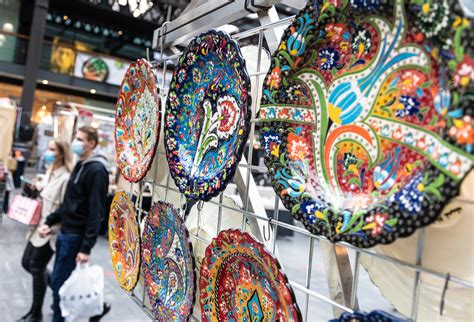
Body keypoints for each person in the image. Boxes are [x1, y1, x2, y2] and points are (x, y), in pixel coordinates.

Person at [38, 126, 110, 322]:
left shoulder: (97, 170)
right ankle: (94, 309)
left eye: (80, 139)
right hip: (64, 233)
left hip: (75, 237)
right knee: (61, 284)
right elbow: (70, 202)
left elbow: (97, 212)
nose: (75, 143)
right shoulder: (80, 165)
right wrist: (50, 221)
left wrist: (86, 247)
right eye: (75, 138)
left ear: (91, 144)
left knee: (60, 288)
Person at [18, 140, 72, 322]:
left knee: (36, 267)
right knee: (27, 263)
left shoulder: (66, 177)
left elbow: (65, 208)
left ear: (61, 153)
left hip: (49, 232)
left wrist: (50, 226)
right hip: (36, 226)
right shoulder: (50, 171)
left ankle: (36, 313)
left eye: (52, 149)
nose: (47, 152)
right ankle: (59, 290)